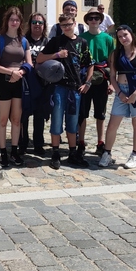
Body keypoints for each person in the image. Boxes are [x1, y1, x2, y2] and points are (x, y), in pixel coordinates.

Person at [37, 13, 93, 170]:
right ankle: (55, 153)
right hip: (58, 87)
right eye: (63, 25)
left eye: (69, 24)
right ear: (60, 27)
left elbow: (90, 64)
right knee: (56, 120)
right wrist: (57, 55)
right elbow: (40, 58)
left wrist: (88, 83)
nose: (67, 28)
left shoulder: (82, 43)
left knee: (73, 122)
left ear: (74, 23)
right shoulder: (56, 42)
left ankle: (72, 153)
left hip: (75, 88)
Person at [99, 25, 136, 170]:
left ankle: (135, 154)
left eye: (125, 35)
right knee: (112, 124)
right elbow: (112, 76)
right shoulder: (116, 54)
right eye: (120, 36)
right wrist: (120, 93)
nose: (123, 38)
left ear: (131, 35)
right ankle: (107, 153)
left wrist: (135, 94)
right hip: (121, 90)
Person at [0, 7, 32, 167]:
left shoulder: (24, 41)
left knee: (16, 119)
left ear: (20, 22)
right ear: (7, 21)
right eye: (11, 19)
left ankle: (14, 151)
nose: (14, 22)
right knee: (2, 120)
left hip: (19, 83)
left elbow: (29, 63)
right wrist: (11, 72)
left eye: (17, 20)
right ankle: (3, 152)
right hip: (4, 83)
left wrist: (20, 72)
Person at [78, 8, 114, 156]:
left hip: (101, 79)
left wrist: (112, 83)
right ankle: (81, 142)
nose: (94, 20)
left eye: (96, 18)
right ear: (87, 21)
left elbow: (112, 62)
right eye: (91, 18)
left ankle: (100, 142)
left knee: (100, 113)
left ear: (100, 20)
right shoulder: (81, 38)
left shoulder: (108, 39)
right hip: (84, 79)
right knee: (82, 113)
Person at [20, 12, 49, 156]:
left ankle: (38, 144)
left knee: (39, 115)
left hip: (42, 83)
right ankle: (23, 142)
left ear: (44, 25)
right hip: (26, 83)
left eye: (40, 22)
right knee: (23, 114)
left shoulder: (47, 42)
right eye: (34, 22)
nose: (37, 25)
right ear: (29, 24)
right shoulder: (23, 40)